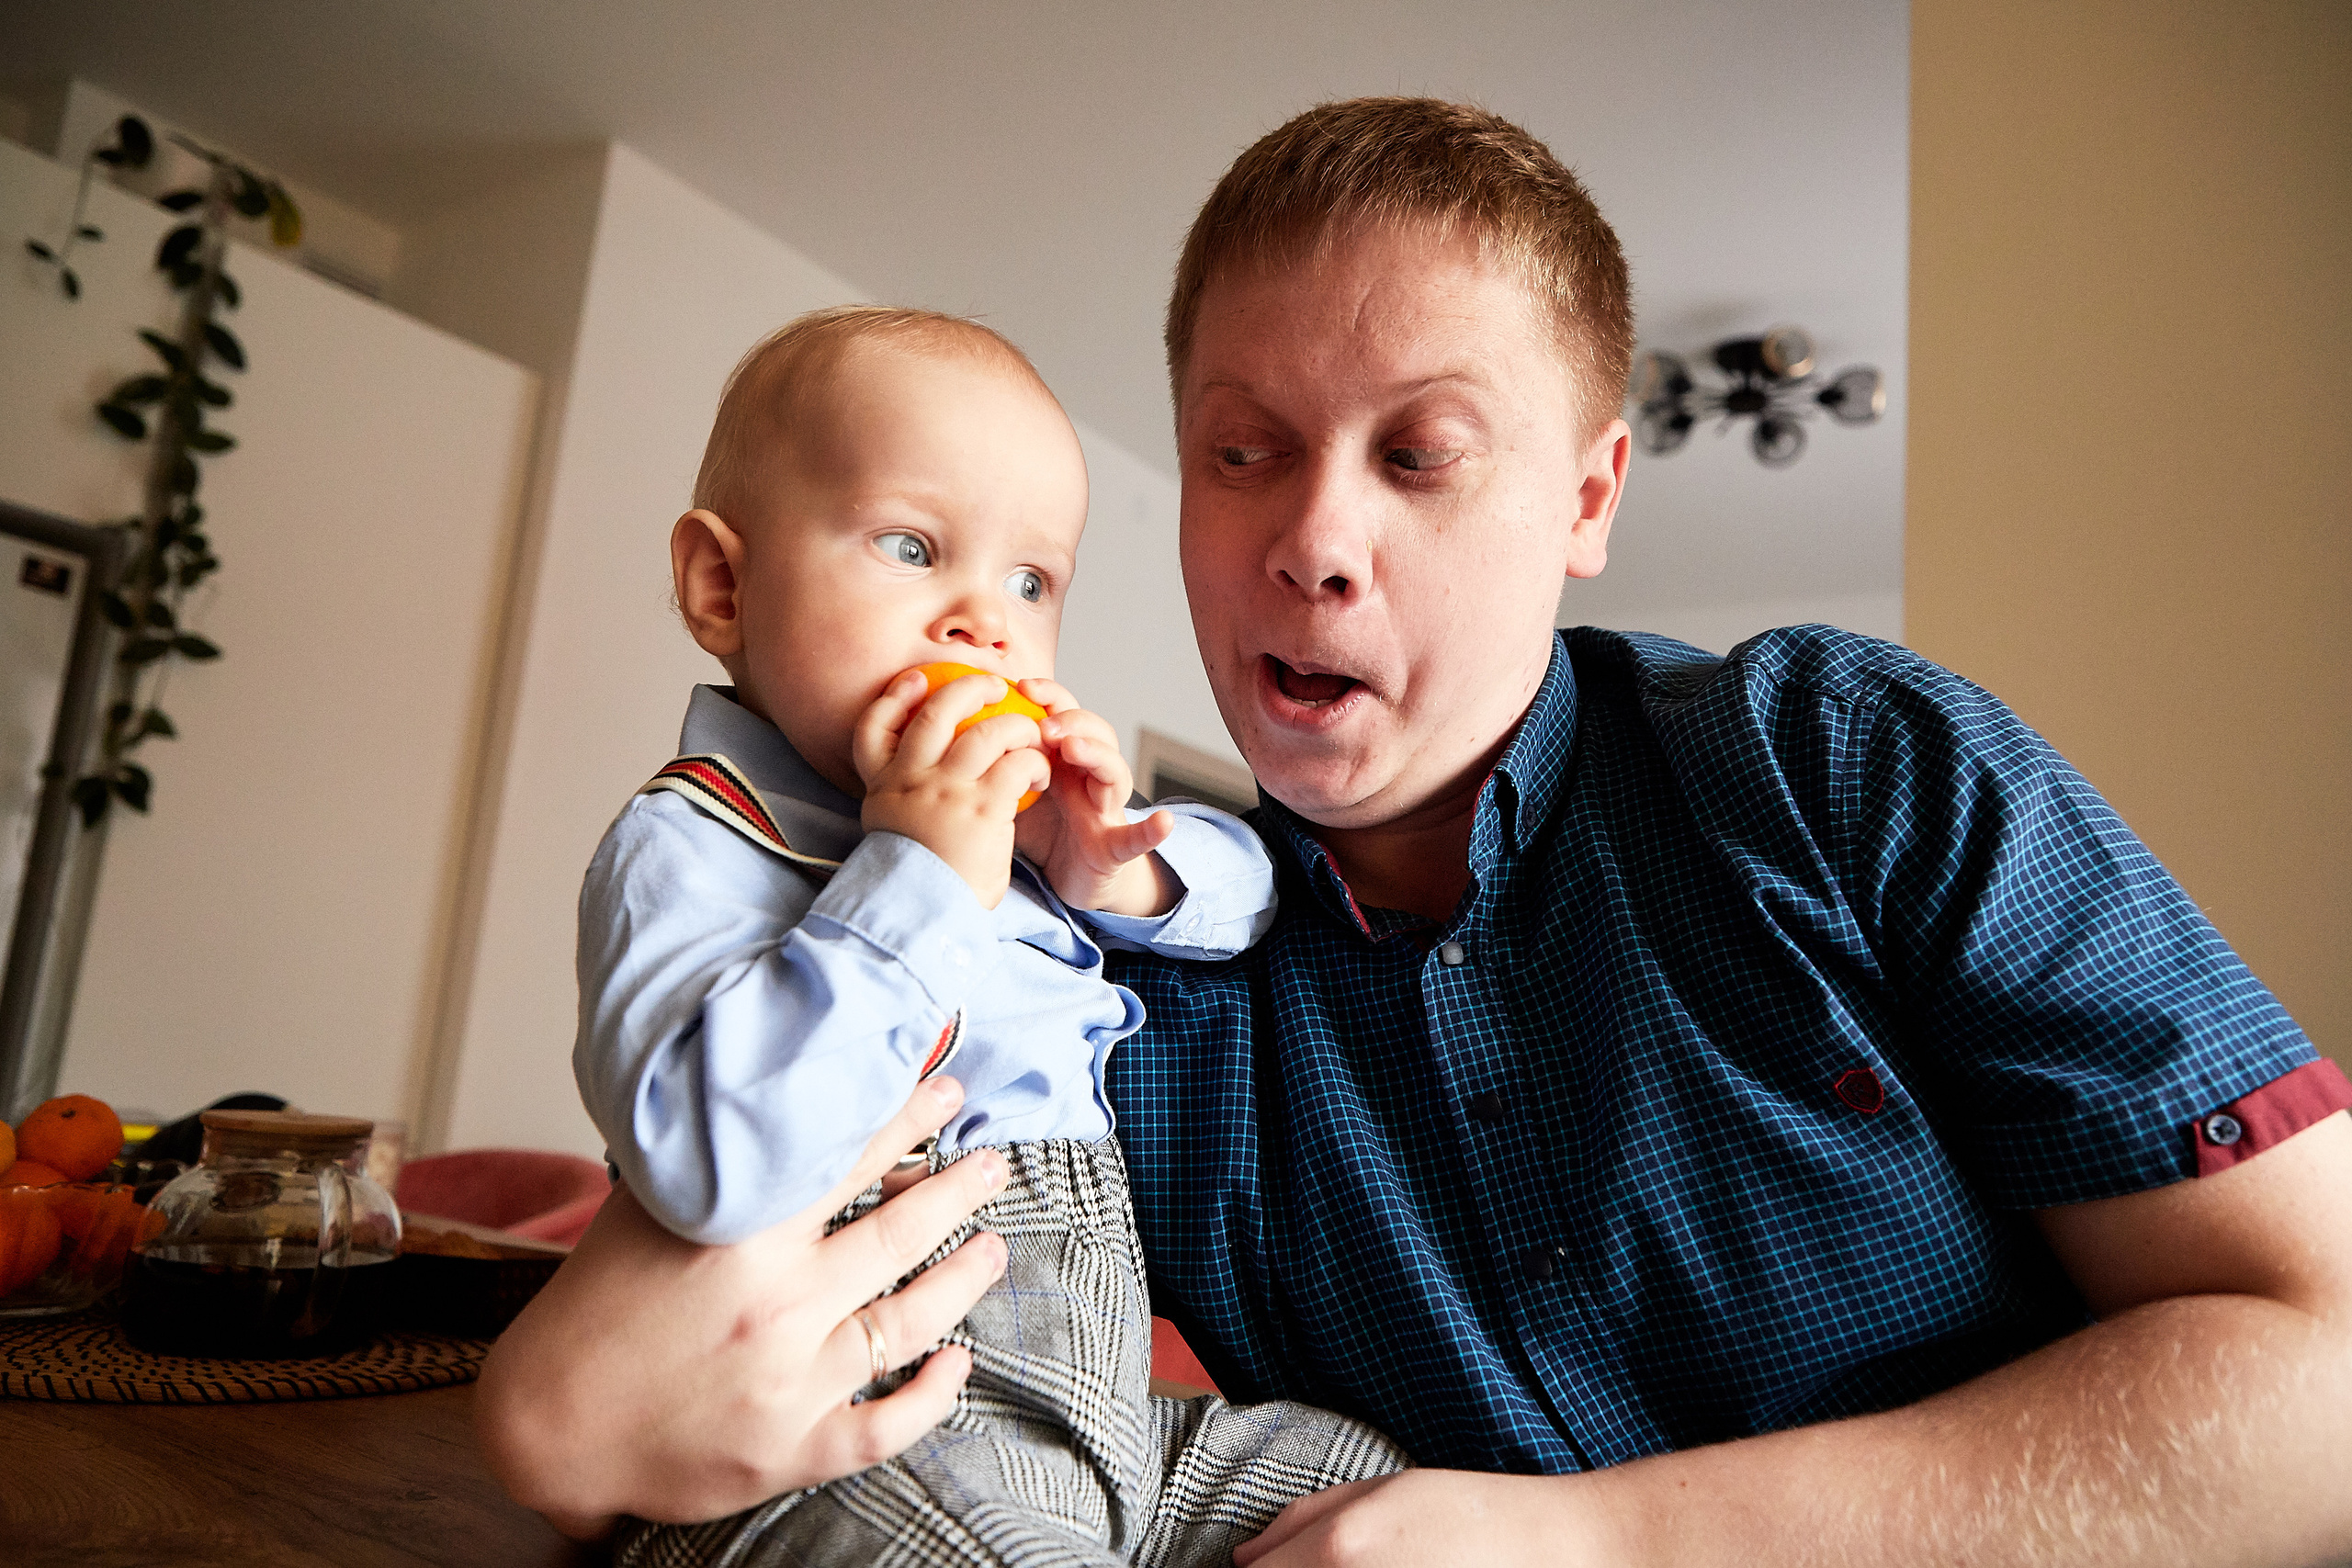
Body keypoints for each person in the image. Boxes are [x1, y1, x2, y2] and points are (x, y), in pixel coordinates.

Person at [481, 101, 2352, 1565]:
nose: (1313, 541)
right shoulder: (1139, 977)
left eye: (1418, 453)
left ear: (1588, 497)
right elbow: (730, 1252)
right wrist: (551, 1415)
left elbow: (2323, 1382)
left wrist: (1603, 1544)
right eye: (1241, 452)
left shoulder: (1837, 765)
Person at [566, 305, 1403, 1566]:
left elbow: (1257, 894)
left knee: (1374, 1492)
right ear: (723, 587)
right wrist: (917, 873)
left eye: (1030, 583)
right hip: (871, 1426)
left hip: (1101, 1418)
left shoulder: (1021, 826)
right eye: (911, 547)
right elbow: (707, 1161)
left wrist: (1109, 865)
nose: (985, 623)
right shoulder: (696, 841)